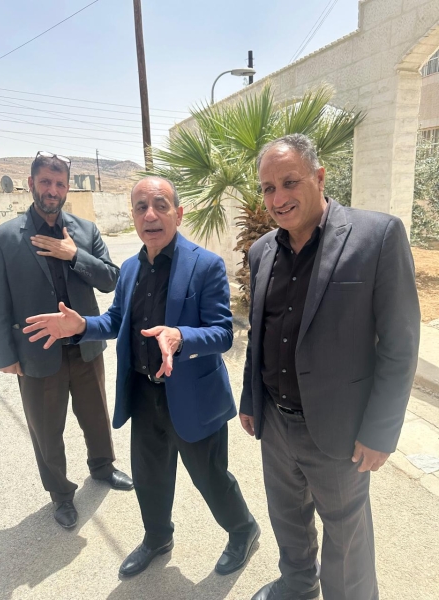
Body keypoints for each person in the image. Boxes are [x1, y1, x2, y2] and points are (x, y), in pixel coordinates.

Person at [23, 176, 260, 577]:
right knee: (149, 476)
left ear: (178, 214)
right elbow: (116, 320)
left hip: (193, 397)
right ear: (133, 216)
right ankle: (157, 537)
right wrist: (81, 326)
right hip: (144, 393)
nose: (150, 215)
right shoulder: (131, 268)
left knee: (210, 477)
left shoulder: (205, 265)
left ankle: (243, 530)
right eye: (140, 207)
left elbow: (222, 332)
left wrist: (181, 336)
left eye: (160, 205)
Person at [239, 134, 421, 600]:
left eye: (290, 182)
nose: (278, 198)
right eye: (268, 188)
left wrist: (380, 430)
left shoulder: (378, 237)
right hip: (275, 421)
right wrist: (250, 399)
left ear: (319, 177)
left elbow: (400, 345)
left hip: (340, 429)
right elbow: (259, 334)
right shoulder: (261, 251)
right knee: (287, 518)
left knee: (347, 539)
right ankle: (298, 584)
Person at [0, 151, 133, 530]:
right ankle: (61, 494)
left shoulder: (86, 231)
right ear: (31, 183)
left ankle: (103, 466)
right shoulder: (3, 238)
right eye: (45, 182)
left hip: (85, 347)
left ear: (67, 187)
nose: (52, 190)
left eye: (59, 183)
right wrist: (5, 355)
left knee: (96, 414)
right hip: (37, 352)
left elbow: (111, 279)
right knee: (46, 429)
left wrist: (74, 255)